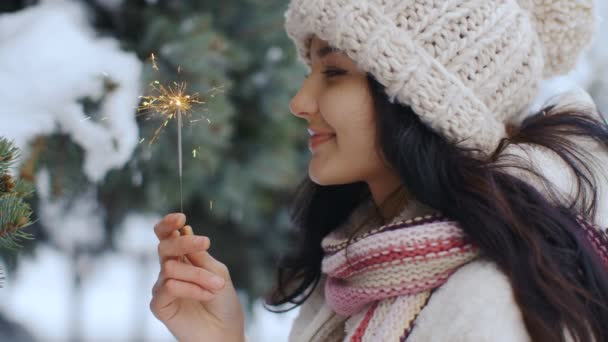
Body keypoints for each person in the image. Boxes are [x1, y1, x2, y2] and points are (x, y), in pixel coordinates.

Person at [150, 0, 608, 341]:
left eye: (333, 73)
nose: (300, 102)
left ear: (422, 101)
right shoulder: (365, 271)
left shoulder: (484, 306)